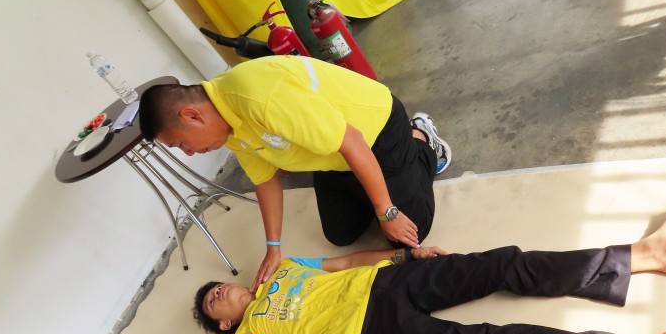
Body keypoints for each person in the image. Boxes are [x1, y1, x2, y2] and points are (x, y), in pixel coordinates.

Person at [191, 185, 666, 334]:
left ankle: (649, 254)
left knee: (503, 265)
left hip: (383, 281)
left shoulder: (283, 270)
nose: (223, 290)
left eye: (219, 285)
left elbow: (346, 262)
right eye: (215, 300)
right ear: (224, 323)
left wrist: (404, 257)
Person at [138, 56, 451, 289]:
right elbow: (264, 179)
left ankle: (421, 139)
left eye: (181, 144)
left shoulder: (260, 97)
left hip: (375, 131)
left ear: (192, 116)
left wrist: (387, 211)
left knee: (411, 235)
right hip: (330, 156)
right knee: (340, 234)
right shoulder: (227, 126)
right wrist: (273, 247)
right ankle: (369, 182)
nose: (189, 152)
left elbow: (352, 141)